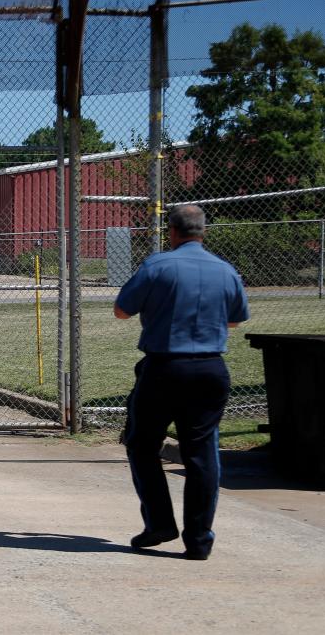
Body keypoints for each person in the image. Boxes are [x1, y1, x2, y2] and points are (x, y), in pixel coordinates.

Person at [114, 204, 250, 561]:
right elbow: (235, 320)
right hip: (210, 368)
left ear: (171, 231)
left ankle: (160, 522)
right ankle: (199, 539)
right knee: (202, 453)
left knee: (142, 446)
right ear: (203, 231)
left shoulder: (158, 265)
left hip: (164, 367)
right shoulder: (226, 270)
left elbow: (122, 310)